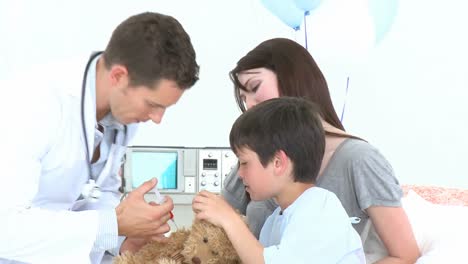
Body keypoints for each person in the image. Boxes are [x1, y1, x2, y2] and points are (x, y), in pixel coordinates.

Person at [0, 12, 199, 263]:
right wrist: (113, 224)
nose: (157, 118)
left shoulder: (121, 114)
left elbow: (96, 193)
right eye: (152, 104)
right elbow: (5, 228)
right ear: (118, 76)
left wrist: (125, 237)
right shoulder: (33, 104)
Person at [222, 38, 420, 263]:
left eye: (255, 88)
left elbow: (406, 255)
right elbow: (211, 239)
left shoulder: (358, 160)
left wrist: (229, 221)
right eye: (243, 98)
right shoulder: (249, 167)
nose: (250, 106)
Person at [193, 97, 365, 263]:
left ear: (278, 163)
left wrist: (229, 219)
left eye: (244, 163)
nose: (240, 174)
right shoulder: (275, 220)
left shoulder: (319, 209)